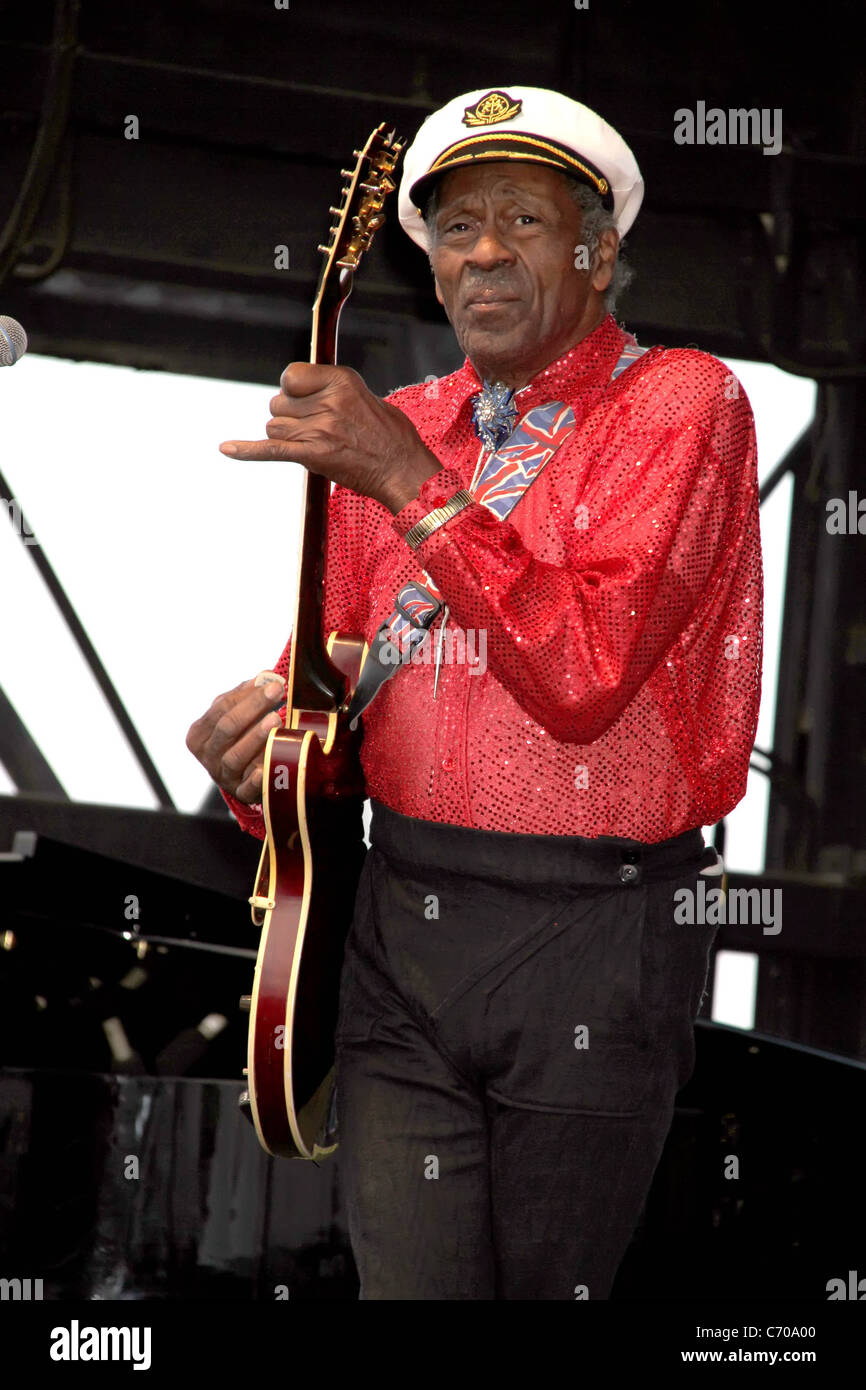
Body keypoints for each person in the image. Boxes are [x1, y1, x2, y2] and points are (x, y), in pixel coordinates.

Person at [186, 86, 763, 1300]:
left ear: (597, 253)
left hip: (591, 937)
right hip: (401, 926)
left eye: (523, 219)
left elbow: (583, 673)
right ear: (431, 265)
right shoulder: (394, 422)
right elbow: (338, 680)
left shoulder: (682, 405)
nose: (483, 249)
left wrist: (406, 478)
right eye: (454, 227)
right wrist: (262, 761)